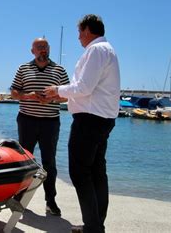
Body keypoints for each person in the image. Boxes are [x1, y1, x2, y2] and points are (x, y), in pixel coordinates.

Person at [44, 14, 120, 233]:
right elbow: (88, 89)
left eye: (79, 32)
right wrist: (62, 95)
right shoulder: (108, 50)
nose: (78, 37)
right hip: (102, 119)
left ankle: (92, 227)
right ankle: (95, 224)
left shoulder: (96, 50)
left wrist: (56, 90)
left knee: (80, 173)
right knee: (96, 172)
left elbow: (83, 87)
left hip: (89, 120)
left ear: (87, 30)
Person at [10, 37, 69, 216]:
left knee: (49, 162)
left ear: (49, 49)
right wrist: (30, 96)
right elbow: (13, 93)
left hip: (50, 123)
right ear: (32, 51)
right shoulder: (23, 68)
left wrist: (52, 98)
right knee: (25, 160)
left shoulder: (59, 70)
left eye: (45, 47)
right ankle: (19, 198)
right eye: (39, 47)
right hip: (27, 120)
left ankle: (50, 201)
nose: (43, 49)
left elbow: (67, 96)